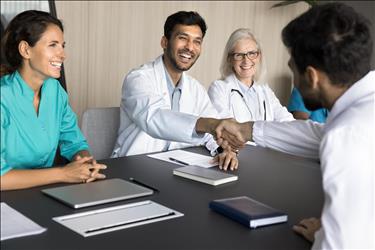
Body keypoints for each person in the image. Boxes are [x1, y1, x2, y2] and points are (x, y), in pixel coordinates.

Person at [198, 2, 374, 249]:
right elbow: (316, 135)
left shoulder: (346, 136)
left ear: (311, 76)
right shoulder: (364, 111)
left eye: (293, 68)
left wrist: (326, 237)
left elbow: (340, 245)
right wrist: (247, 130)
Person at [112, 11, 238, 171]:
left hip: (176, 169)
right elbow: (154, 118)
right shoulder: (138, 79)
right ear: (164, 42)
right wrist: (209, 124)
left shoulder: (196, 88)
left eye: (197, 41)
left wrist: (223, 149)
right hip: (134, 167)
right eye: (183, 38)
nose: (190, 47)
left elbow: (212, 131)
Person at [0, 10, 106, 191]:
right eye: (53, 45)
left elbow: (74, 142)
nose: (63, 55)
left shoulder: (54, 91)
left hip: (43, 193)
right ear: (26, 50)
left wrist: (84, 161)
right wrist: (63, 174)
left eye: (63, 45)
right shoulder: (3, 97)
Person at [208, 28, 294, 123]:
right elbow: (227, 129)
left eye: (252, 53)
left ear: (259, 56)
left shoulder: (265, 90)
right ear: (229, 59)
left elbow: (287, 121)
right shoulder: (219, 89)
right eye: (239, 55)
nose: (246, 60)